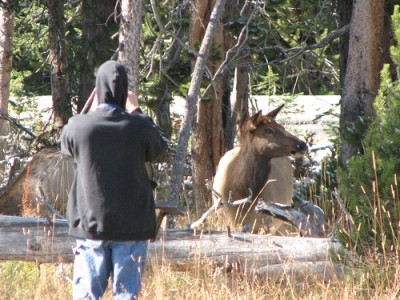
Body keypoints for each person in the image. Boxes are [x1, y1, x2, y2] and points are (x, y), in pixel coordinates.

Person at [60, 60, 168, 299]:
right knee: (125, 296)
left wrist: (89, 108)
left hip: (90, 225)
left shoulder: (79, 126)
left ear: (98, 89)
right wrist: (136, 109)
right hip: (132, 226)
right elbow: (161, 147)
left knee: (87, 296)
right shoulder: (138, 127)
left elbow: (65, 144)